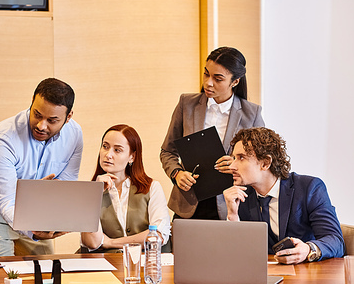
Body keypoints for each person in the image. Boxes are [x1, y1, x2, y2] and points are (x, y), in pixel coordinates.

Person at [0, 78, 83, 257]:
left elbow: (66, 182)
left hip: (31, 209)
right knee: (3, 271)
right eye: (37, 115)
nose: (42, 125)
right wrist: (33, 230)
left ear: (68, 117)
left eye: (52, 120)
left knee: (46, 269)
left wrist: (54, 220)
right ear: (32, 102)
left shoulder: (74, 134)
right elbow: (6, 201)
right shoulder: (3, 138)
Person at [160, 46, 265, 221]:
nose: (208, 82)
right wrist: (177, 174)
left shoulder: (251, 114)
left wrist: (236, 162)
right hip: (188, 204)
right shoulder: (187, 104)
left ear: (235, 82)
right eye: (206, 74)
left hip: (230, 206)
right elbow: (167, 151)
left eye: (218, 78)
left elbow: (261, 163)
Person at [223, 127, 345, 264]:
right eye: (234, 158)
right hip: (262, 275)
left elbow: (335, 241)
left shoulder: (309, 188)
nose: (232, 166)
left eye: (241, 158)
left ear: (265, 163)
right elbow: (235, 255)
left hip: (305, 276)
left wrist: (308, 249)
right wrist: (232, 216)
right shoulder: (240, 196)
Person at [81, 124, 171, 252]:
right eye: (105, 147)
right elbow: (93, 242)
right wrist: (94, 195)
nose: (108, 154)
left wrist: (111, 242)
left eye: (117, 150)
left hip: (145, 265)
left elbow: (158, 236)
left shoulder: (152, 188)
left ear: (132, 156)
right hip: (105, 266)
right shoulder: (90, 192)